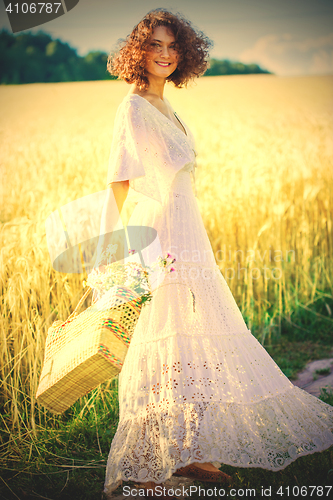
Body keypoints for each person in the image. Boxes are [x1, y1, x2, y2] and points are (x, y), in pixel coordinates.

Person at [95, 8, 333, 499]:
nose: (164, 54)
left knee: (193, 338)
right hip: (160, 238)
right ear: (139, 52)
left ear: (183, 55)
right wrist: (117, 253)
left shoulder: (169, 108)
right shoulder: (134, 106)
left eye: (171, 46)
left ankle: (191, 454)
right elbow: (119, 181)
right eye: (155, 45)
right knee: (162, 341)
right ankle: (145, 463)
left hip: (188, 231)